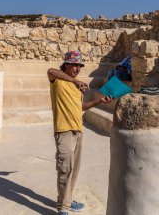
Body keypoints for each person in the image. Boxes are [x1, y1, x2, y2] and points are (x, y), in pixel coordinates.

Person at [47, 50, 112, 215]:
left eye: (79, 65)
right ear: (66, 64)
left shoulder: (78, 87)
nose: (77, 68)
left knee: (74, 170)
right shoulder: (58, 80)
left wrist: (98, 101)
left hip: (78, 131)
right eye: (74, 65)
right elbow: (50, 71)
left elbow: (80, 107)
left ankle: (67, 199)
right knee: (65, 169)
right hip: (64, 130)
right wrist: (75, 81)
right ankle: (63, 208)